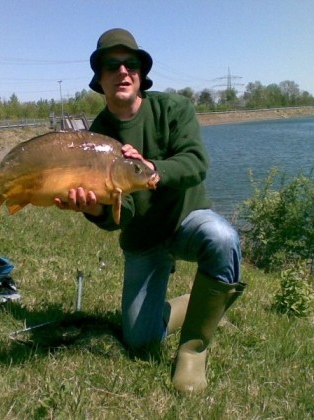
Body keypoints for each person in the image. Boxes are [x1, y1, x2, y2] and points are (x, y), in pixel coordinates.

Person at [54, 28, 246, 393]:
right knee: (140, 342)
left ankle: (193, 351)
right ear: (100, 78)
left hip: (186, 221)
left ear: (141, 74)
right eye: (112, 65)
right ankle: (199, 303)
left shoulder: (174, 108)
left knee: (222, 238)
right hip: (144, 240)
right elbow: (119, 217)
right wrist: (93, 207)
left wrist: (153, 169)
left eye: (131, 64)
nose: (122, 72)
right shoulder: (98, 136)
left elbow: (195, 163)